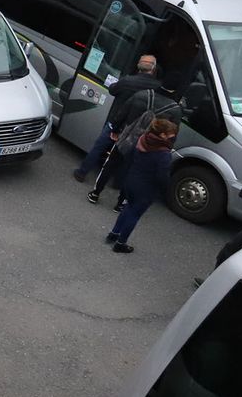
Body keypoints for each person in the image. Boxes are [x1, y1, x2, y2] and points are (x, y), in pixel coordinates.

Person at [73, 55, 160, 188]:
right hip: (136, 128)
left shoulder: (127, 80)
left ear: (138, 67)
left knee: (99, 148)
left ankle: (82, 172)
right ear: (153, 68)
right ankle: (117, 183)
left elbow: (112, 90)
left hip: (116, 122)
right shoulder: (156, 87)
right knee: (125, 157)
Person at [105, 117, 179, 254]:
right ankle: (120, 243)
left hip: (131, 180)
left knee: (127, 208)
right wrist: (165, 189)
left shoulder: (143, 139)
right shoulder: (163, 154)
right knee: (134, 214)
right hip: (146, 189)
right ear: (163, 135)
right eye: (171, 135)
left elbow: (130, 157)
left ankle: (113, 233)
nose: (173, 137)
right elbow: (162, 176)